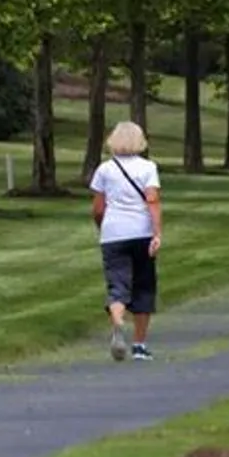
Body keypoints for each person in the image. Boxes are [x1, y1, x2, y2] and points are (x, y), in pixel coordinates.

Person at [87, 120, 161, 362]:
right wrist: (157, 232)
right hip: (141, 232)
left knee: (117, 285)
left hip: (114, 233)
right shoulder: (148, 167)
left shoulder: (104, 170)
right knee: (144, 286)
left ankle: (118, 322)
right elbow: (152, 200)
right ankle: (139, 344)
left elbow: (98, 207)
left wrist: (103, 227)